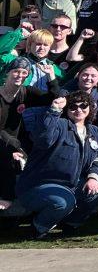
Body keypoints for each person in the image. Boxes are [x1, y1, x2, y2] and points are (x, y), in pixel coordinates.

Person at [12, 92, 98, 236]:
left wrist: (93, 177)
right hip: (39, 185)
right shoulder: (58, 125)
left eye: (83, 105)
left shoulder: (95, 132)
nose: (78, 110)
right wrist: (54, 110)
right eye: (72, 106)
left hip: (72, 185)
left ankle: (71, 224)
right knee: (62, 201)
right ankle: (38, 227)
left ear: (90, 108)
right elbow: (44, 139)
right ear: (66, 109)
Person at [0, 59, 57, 203]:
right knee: (9, 158)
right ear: (8, 73)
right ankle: (7, 199)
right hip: (7, 140)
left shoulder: (26, 92)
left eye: (24, 73)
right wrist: (14, 146)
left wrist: (51, 76)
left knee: (19, 162)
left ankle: (15, 203)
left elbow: (53, 98)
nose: (19, 75)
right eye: (16, 72)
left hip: (13, 141)